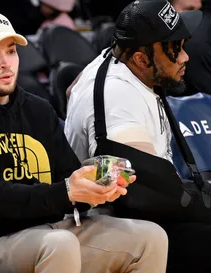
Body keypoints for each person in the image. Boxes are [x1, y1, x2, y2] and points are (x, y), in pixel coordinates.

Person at [0, 9, 168, 273]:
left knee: (150, 237)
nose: (5, 63)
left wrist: (96, 187)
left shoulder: (38, 109)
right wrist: (66, 191)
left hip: (52, 231)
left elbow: (68, 177)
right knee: (60, 243)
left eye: (11, 51)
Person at [65, 1, 211, 272]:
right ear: (142, 59)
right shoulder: (118, 99)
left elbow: (70, 89)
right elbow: (143, 195)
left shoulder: (114, 57)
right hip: (111, 224)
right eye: (174, 50)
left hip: (137, 216)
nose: (185, 57)